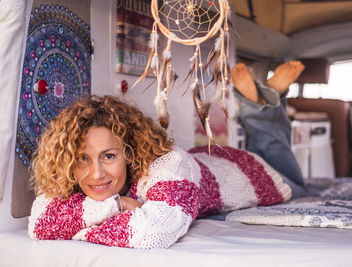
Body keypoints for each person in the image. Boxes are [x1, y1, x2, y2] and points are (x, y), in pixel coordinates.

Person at [28, 61, 305, 249]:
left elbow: (154, 231)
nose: (96, 173)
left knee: (286, 170)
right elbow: (40, 223)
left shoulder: (171, 165)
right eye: (82, 158)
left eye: (108, 156)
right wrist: (118, 205)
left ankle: (260, 105)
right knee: (267, 144)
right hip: (206, 162)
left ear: (128, 151)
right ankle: (265, 98)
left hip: (250, 174)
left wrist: (75, 229)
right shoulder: (85, 179)